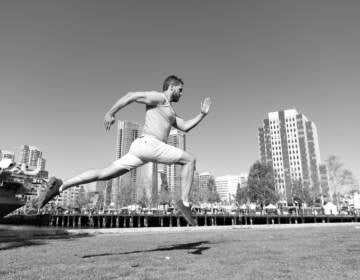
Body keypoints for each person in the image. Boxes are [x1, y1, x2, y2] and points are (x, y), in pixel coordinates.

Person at [39, 75, 211, 226]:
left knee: (104, 174)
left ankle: (61, 187)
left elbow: (185, 127)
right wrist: (110, 113)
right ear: (171, 87)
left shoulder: (170, 111)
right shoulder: (159, 98)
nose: (181, 93)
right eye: (180, 90)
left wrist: (202, 114)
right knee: (190, 159)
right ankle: (185, 204)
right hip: (150, 144)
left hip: (141, 149)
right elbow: (131, 96)